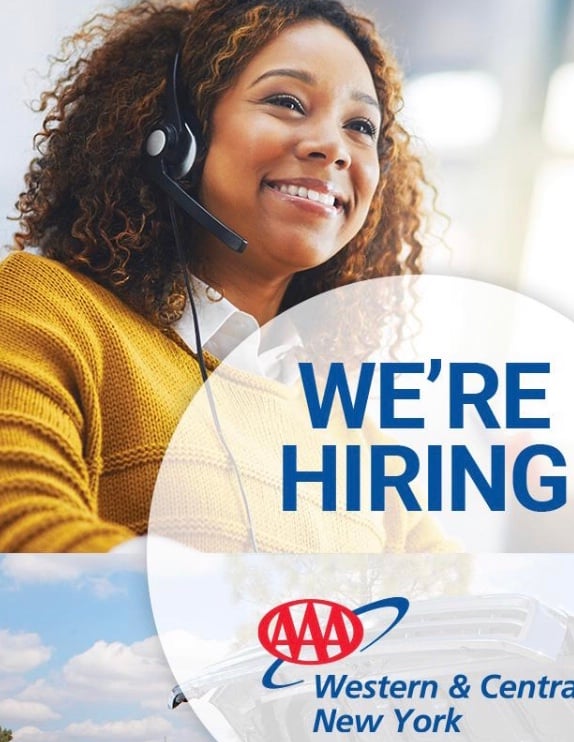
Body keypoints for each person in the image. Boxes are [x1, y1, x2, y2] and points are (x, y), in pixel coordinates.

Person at [0, 0, 434, 552]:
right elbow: (20, 540)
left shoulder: (359, 441)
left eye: (360, 126)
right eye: (286, 102)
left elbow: (459, 600)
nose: (331, 147)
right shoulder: (43, 308)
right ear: (175, 136)